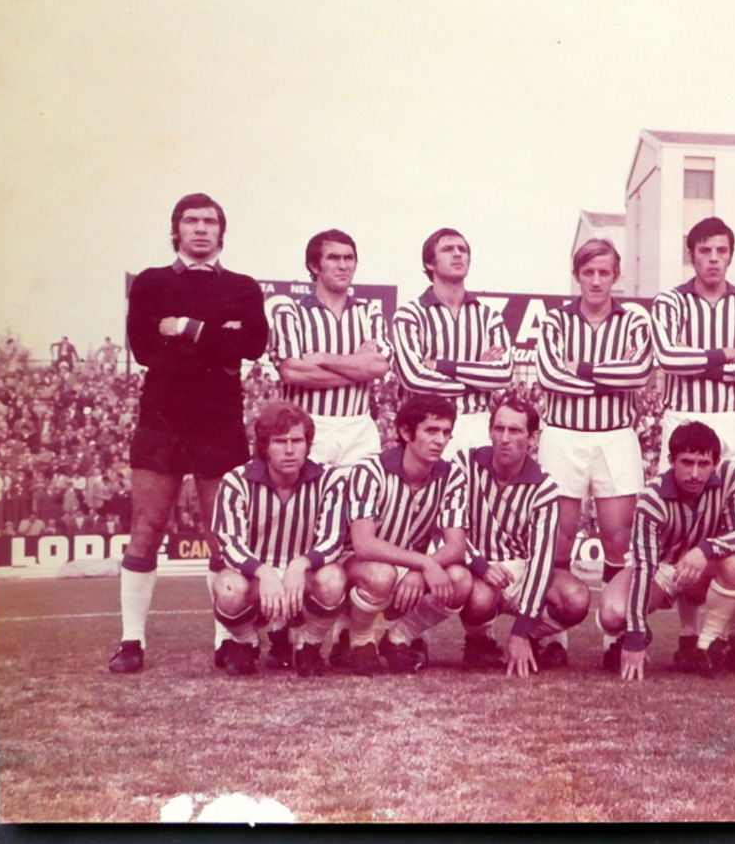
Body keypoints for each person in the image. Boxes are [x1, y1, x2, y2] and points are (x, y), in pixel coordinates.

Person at [107, 193, 269, 674]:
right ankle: (131, 641)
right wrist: (220, 336)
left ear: (222, 232)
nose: (201, 229)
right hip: (162, 417)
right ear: (175, 230)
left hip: (220, 420)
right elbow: (144, 348)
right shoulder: (152, 283)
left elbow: (253, 344)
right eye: (191, 221)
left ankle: (228, 639)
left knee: (222, 536)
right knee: (147, 530)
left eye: (210, 222)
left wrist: (186, 328)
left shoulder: (243, 286)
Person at [650, 216, 735, 670]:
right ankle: (688, 636)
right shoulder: (670, 303)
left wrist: (699, 361)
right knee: (687, 526)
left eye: (721, 250)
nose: (714, 259)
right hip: (685, 415)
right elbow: (666, 357)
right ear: (692, 254)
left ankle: (734, 636)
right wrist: (724, 356)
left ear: (731, 255)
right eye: (705, 251)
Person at [267, 229, 391, 668]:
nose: (343, 265)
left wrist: (321, 356)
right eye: (334, 258)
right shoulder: (289, 310)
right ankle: (283, 628)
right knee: (301, 526)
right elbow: (292, 372)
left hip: (359, 426)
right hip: (308, 425)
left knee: (359, 529)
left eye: (350, 257)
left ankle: (348, 632)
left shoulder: (371, 312)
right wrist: (353, 366)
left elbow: (377, 366)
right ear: (314, 266)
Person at [535, 238, 652, 664]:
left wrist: (580, 368)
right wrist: (609, 373)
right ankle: (554, 638)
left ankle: (613, 637)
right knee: (559, 535)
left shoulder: (634, 321)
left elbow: (638, 373)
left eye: (604, 272)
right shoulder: (554, 321)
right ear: (577, 275)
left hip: (616, 434)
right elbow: (550, 376)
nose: (597, 280)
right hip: (563, 435)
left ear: (615, 276)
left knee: (617, 536)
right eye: (589, 272)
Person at [445, 396, 591, 675]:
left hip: (523, 571)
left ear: (533, 438)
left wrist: (521, 630)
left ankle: (531, 639)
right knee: (476, 598)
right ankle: (479, 642)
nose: (504, 438)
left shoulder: (545, 487)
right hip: (479, 569)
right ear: (489, 431)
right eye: (499, 429)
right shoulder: (465, 464)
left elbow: (541, 563)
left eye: (515, 431)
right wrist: (480, 565)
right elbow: (447, 526)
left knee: (576, 597)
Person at [597, 421, 735, 680]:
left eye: (703, 464)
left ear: (716, 461)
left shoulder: (730, 476)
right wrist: (634, 636)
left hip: (706, 564)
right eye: (686, 462)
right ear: (671, 460)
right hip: (662, 567)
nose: (694, 473)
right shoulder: (652, 498)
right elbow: (644, 567)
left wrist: (706, 548)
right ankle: (634, 632)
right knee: (611, 613)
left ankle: (706, 644)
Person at [207, 402, 348, 677]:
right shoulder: (236, 481)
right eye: (279, 441)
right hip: (257, 578)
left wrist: (299, 565)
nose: (289, 449)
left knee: (334, 579)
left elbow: (333, 539)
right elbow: (229, 542)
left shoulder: (329, 480)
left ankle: (309, 645)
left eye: (297, 440)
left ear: (308, 444)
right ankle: (246, 644)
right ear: (264, 446)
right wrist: (264, 572)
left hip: (304, 576)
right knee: (226, 586)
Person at [340, 394, 470, 675]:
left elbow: (456, 546)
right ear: (405, 432)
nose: (440, 440)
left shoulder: (452, 476)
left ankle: (397, 638)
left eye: (446, 432)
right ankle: (359, 640)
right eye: (431, 430)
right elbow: (363, 544)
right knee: (380, 574)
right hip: (359, 568)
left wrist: (421, 568)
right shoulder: (369, 470)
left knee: (461, 579)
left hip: (408, 568)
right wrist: (423, 563)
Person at [390, 227, 512, 454]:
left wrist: (442, 366)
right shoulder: (410, 314)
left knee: (479, 490)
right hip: (428, 424)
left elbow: (503, 374)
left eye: (462, 250)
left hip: (479, 423)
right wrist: (477, 377)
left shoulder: (489, 316)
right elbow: (413, 378)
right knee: (429, 489)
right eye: (448, 249)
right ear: (429, 263)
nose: (458, 254)